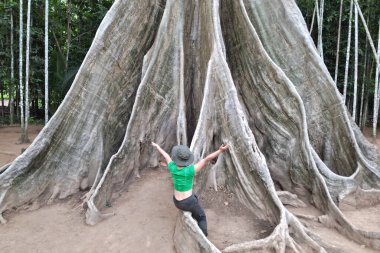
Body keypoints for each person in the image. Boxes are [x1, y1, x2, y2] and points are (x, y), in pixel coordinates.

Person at [152, 142, 229, 237]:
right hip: (188, 202)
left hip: (176, 201)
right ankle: (203, 238)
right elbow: (207, 159)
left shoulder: (172, 167)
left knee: (194, 197)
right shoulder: (190, 170)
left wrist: (157, 147)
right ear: (187, 160)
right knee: (201, 217)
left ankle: (192, 217)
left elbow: (166, 155)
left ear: (175, 159)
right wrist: (220, 150)